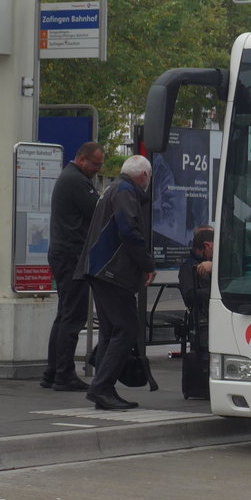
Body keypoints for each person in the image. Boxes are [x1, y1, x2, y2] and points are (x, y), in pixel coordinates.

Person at [76, 154, 156, 410]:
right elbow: (129, 230)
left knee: (112, 331)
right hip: (112, 272)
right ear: (143, 175)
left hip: (101, 270)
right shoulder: (125, 191)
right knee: (126, 329)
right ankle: (101, 388)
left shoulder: (113, 189)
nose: (149, 182)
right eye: (149, 177)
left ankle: (104, 388)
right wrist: (147, 264)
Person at [41, 141, 105, 391]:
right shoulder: (76, 181)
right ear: (82, 159)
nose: (98, 170)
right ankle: (64, 374)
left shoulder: (70, 177)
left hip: (62, 253)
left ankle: (52, 371)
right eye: (95, 164)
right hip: (72, 255)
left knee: (64, 314)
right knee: (74, 315)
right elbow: (98, 211)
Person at [178, 225, 214, 399]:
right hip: (202, 320)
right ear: (207, 246)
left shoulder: (216, 264)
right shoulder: (189, 267)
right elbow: (190, 296)